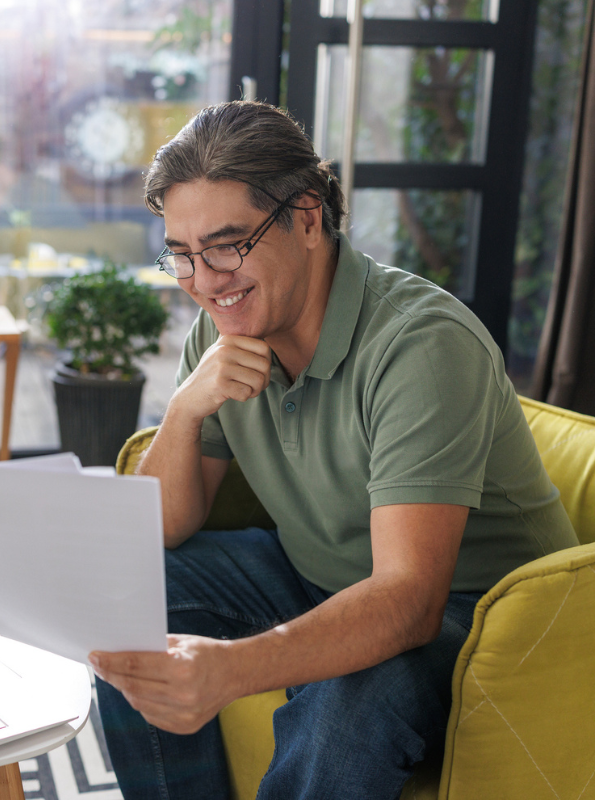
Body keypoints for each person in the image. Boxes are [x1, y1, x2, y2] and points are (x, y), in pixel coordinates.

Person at [87, 101, 578, 800]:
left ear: (308, 217)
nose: (206, 280)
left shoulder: (420, 345)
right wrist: (185, 407)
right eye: (183, 256)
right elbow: (162, 530)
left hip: (481, 617)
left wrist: (231, 667)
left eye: (227, 245)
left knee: (359, 692)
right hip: (321, 574)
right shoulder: (223, 327)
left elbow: (410, 600)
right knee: (127, 593)